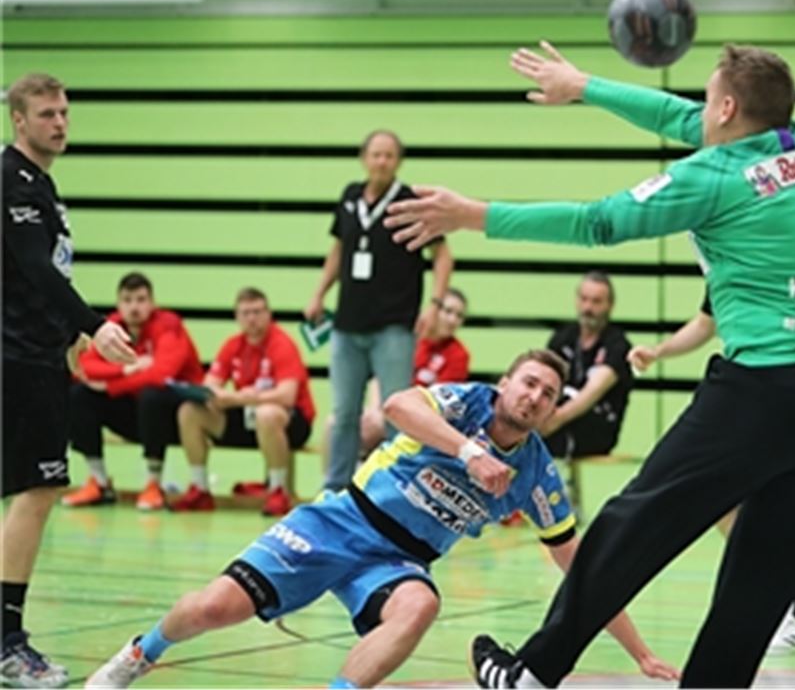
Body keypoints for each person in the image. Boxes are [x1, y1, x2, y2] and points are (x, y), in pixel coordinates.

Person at [383, 41, 795, 688]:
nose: (696, 109)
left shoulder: (713, 180)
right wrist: (584, 85)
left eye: (707, 98)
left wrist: (473, 215)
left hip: (766, 389)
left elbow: (598, 223)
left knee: (629, 527)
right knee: (761, 579)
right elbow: (686, 121)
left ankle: (532, 675)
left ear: (727, 107)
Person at [84, 350, 678, 689]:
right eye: (528, 383)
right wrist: (468, 452)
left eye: (548, 394)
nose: (534, 397)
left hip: (398, 560)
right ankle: (142, 652)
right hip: (336, 523)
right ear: (505, 384)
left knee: (421, 605)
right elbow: (397, 405)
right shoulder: (465, 402)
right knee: (215, 609)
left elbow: (583, 570)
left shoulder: (537, 475)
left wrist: (640, 653)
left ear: (553, 408)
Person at [2, 73, 136, 688]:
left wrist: (69, 335)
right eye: (46, 113)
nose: (59, 122)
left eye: (64, 112)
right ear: (18, 122)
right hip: (17, 361)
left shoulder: (42, 185)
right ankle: (6, 643)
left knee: (30, 491)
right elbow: (33, 267)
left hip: (36, 355)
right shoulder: (12, 182)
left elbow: (35, 272)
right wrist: (92, 323)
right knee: (36, 490)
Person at [628, 293, 795, 655]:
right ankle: (786, 607)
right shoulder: (724, 265)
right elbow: (705, 323)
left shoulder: (774, 261)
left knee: (782, 512)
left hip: (785, 392)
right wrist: (659, 351)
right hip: (750, 394)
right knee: (731, 508)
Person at [304, 129, 454, 493]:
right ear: (364, 158)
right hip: (347, 324)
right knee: (343, 414)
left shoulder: (410, 202)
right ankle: (335, 487)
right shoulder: (350, 197)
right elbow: (338, 250)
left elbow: (442, 255)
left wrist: (435, 304)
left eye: (389, 155)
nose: (381, 161)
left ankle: (393, 487)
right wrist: (319, 294)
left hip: (394, 326)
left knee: (396, 411)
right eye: (375, 154)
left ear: (398, 161)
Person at [62, 271, 204, 512]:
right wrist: (127, 370)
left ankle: (153, 484)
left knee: (152, 395)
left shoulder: (169, 325)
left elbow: (161, 374)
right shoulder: (112, 327)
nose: (134, 307)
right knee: (80, 395)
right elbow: (84, 368)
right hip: (133, 414)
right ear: (119, 304)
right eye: (127, 301)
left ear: (152, 303)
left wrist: (110, 385)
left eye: (140, 300)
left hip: (175, 417)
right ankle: (99, 481)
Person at [170, 287, 315, 517]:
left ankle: (278, 490)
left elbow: (287, 395)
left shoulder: (282, 343)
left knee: (266, 413)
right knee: (190, 411)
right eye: (246, 313)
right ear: (237, 317)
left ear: (269, 314)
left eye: (257, 312)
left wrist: (243, 397)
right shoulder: (233, 345)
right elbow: (210, 385)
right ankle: (200, 489)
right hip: (248, 418)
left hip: (290, 422)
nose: (252, 318)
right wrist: (215, 396)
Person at [358, 286, 471, 455]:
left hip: (420, 418)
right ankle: (335, 480)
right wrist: (374, 409)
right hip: (388, 409)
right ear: (434, 310)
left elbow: (439, 401)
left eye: (459, 315)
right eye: (448, 311)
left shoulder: (458, 355)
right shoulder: (410, 340)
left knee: (373, 428)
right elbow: (379, 376)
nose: (452, 320)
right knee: (336, 423)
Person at [542, 271, 632, 459]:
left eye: (596, 301)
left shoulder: (617, 344)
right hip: (556, 418)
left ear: (610, 305)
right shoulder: (563, 338)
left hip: (597, 427)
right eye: (584, 299)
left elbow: (592, 393)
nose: (588, 307)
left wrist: (553, 420)